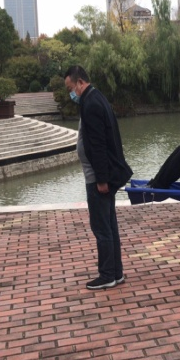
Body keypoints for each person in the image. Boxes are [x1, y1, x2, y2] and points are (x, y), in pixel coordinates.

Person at [64, 65, 133, 290]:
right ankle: (116, 272)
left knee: (102, 227)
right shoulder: (96, 97)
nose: (71, 93)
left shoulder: (91, 104)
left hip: (97, 179)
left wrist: (101, 180)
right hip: (100, 176)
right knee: (109, 225)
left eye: (71, 88)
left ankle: (107, 275)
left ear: (80, 82)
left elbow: (98, 145)